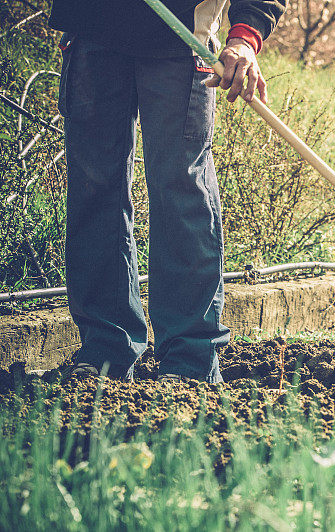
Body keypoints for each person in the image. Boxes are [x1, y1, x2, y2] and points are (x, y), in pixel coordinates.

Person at [50, 1, 287, 383]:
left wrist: (245, 34)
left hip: (181, 39)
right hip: (92, 33)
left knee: (181, 192)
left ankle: (190, 361)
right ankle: (104, 351)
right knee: (95, 192)